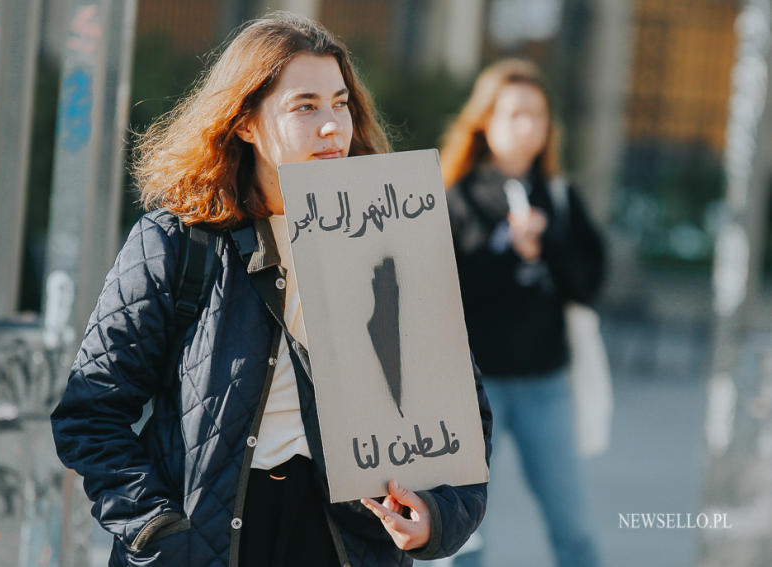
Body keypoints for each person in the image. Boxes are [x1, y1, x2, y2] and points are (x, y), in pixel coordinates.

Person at [50, 13, 492, 567]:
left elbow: (461, 416)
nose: (332, 125)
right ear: (245, 123)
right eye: (304, 106)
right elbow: (91, 413)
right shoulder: (178, 243)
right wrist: (154, 530)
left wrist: (437, 514)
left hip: (347, 543)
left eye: (341, 103)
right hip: (204, 541)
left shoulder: (392, 236)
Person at [440, 59, 604, 567]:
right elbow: (445, 291)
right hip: (471, 388)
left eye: (537, 114)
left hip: (544, 384)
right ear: (485, 121)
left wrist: (543, 244)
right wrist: (506, 250)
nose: (528, 125)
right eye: (514, 113)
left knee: (572, 524)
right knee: (465, 534)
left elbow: (589, 284)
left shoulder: (559, 196)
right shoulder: (457, 198)